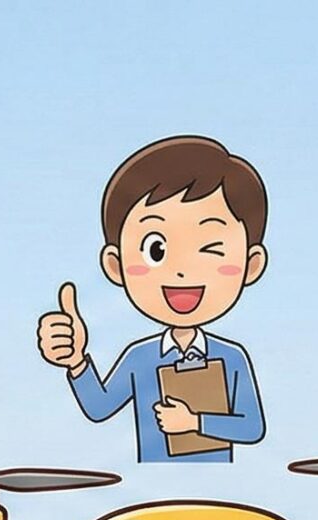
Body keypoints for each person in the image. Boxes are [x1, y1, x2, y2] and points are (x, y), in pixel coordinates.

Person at [35, 134, 269, 462]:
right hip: (153, 496)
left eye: (211, 249)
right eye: (156, 250)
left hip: (218, 493)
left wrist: (194, 422)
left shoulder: (231, 357)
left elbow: (252, 427)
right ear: (116, 266)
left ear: (251, 264)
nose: (182, 271)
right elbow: (100, 408)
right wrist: (76, 361)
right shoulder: (140, 358)